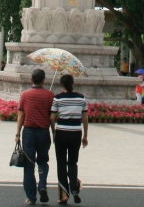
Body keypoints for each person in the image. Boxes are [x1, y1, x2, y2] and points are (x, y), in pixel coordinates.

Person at [16, 69, 54, 205]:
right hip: (44, 132)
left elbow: (21, 115)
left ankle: (31, 197)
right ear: (44, 81)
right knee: (43, 161)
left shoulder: (25, 95)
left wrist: (17, 134)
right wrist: (54, 132)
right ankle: (42, 185)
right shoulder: (50, 95)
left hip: (29, 133)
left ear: (31, 80)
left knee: (29, 165)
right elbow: (52, 117)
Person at [51, 74, 87, 205]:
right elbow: (85, 118)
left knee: (61, 163)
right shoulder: (81, 98)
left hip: (61, 132)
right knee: (72, 162)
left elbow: (52, 117)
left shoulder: (57, 98)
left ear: (61, 85)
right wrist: (85, 136)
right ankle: (74, 188)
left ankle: (64, 194)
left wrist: (53, 131)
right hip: (76, 133)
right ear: (73, 84)